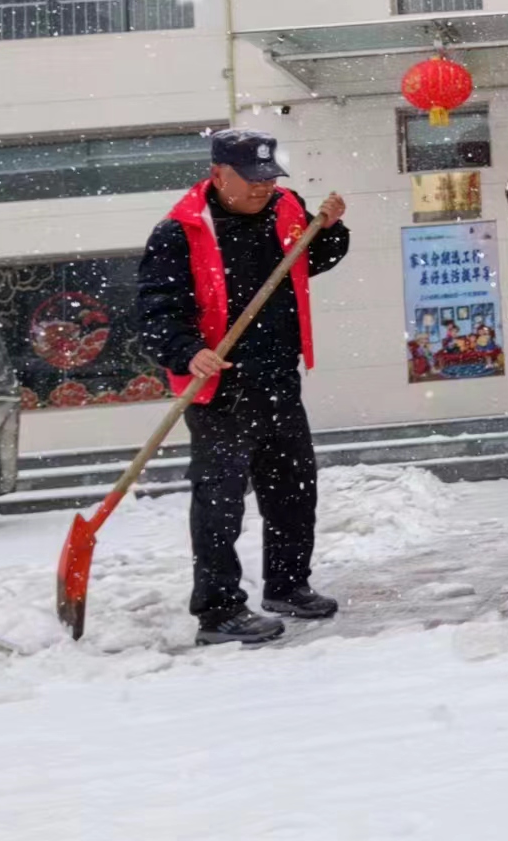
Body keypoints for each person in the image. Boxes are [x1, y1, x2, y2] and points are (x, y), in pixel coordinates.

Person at [138, 129, 350, 645]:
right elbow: (155, 312)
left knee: (293, 490)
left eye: (269, 177)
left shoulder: (285, 208)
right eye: (252, 178)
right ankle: (218, 611)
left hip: (279, 377)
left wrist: (329, 229)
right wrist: (189, 351)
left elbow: (310, 259)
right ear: (218, 175)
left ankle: (287, 585)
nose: (263, 187)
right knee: (220, 502)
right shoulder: (180, 232)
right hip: (222, 388)